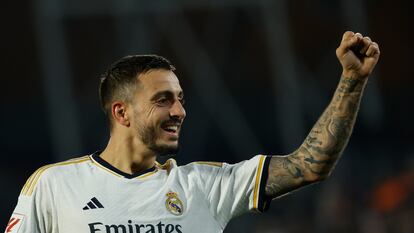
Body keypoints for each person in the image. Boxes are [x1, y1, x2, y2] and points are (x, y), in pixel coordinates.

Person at [5, 31, 380, 233]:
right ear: (122, 112)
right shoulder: (54, 187)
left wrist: (351, 81)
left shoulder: (204, 186)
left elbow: (309, 165)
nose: (180, 111)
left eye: (181, 99)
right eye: (164, 99)